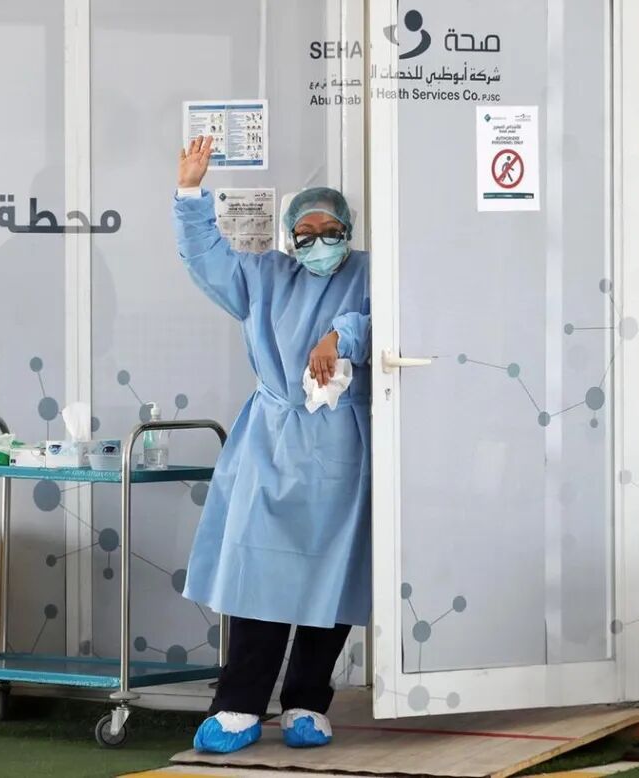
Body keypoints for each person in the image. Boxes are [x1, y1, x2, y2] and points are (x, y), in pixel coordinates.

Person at [173, 136, 371, 753]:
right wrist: (189, 192)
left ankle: (307, 702)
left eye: (330, 230)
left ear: (348, 231)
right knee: (257, 572)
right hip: (272, 441)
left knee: (331, 577)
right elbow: (206, 258)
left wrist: (341, 335)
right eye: (305, 232)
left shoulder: (372, 273)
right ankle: (239, 705)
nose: (318, 241)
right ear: (289, 237)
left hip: (343, 447)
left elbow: (397, 317)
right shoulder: (264, 277)